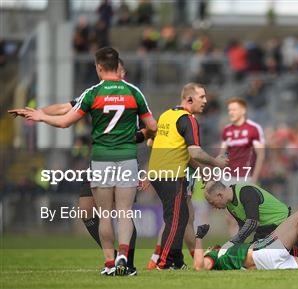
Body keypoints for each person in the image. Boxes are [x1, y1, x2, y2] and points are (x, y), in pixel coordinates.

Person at [25, 47, 158, 276]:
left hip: (101, 159)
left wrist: (41, 116)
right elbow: (153, 127)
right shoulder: (133, 92)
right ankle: (124, 255)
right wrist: (136, 135)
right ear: (118, 65)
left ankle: (110, 263)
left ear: (98, 67)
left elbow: (66, 121)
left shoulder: (93, 93)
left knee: (105, 213)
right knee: (125, 212)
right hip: (127, 158)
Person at [146, 82, 228, 270]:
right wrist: (216, 162)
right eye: (202, 97)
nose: (205, 101)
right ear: (189, 99)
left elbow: (152, 143)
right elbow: (195, 152)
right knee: (176, 219)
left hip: (158, 173)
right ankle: (164, 262)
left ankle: (176, 261)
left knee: (181, 218)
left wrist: (200, 170)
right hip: (172, 175)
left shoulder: (167, 115)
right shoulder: (188, 119)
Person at [193, 204, 298, 270]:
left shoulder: (225, 255)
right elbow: (199, 266)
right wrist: (198, 238)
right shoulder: (216, 256)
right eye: (207, 250)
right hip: (263, 251)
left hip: (265, 261)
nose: (208, 248)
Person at [220, 97, 265, 184]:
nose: (231, 113)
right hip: (227, 177)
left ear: (243, 111)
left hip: (246, 177)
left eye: (234, 110)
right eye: (229, 110)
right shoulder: (226, 130)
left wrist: (255, 177)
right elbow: (223, 154)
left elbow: (260, 155)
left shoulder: (254, 128)